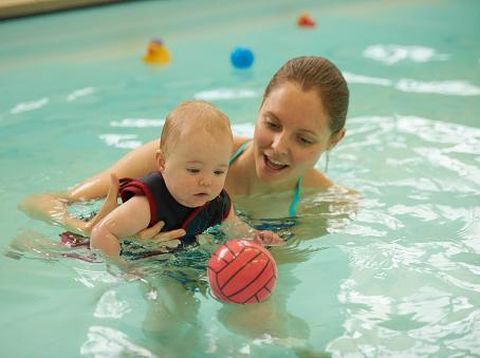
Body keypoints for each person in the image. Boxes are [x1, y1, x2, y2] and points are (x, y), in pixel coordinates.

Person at [20, 55, 351, 240]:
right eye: (272, 124)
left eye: (303, 138)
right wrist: (87, 229)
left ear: (334, 140)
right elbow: (39, 202)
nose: (278, 146)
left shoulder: (323, 206)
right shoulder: (176, 157)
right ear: (259, 107)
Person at [88, 100, 282, 265]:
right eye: (194, 170)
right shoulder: (148, 203)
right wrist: (123, 268)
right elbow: (101, 234)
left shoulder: (218, 202)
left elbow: (235, 228)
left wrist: (256, 236)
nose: (207, 181)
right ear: (162, 163)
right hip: (106, 254)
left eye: (218, 171)